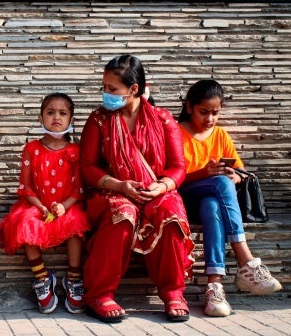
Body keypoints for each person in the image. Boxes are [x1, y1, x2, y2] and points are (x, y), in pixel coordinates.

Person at [79, 54, 194, 324]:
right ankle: (100, 294)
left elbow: (178, 167)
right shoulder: (98, 120)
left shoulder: (163, 120)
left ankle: (173, 292)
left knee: (170, 212)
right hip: (113, 191)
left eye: (112, 89)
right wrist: (119, 185)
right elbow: (87, 167)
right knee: (123, 213)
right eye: (104, 87)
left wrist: (161, 186)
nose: (105, 93)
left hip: (155, 190)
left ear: (133, 90)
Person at [177, 80, 282, 317]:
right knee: (219, 184)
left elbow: (239, 173)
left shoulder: (221, 134)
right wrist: (205, 173)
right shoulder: (176, 132)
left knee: (213, 205)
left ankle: (214, 286)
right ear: (190, 106)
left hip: (210, 201)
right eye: (204, 112)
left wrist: (234, 175)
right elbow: (170, 177)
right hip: (183, 197)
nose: (210, 119)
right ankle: (245, 258)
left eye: (215, 113)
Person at [0, 92, 90, 315]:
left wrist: (64, 206)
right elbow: (26, 187)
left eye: (62, 113)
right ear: (40, 118)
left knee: (76, 224)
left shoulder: (75, 152)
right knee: (25, 224)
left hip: (67, 205)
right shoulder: (31, 149)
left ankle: (73, 278)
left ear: (71, 120)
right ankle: (41, 277)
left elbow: (79, 189)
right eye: (50, 112)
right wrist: (39, 206)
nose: (56, 117)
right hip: (37, 205)